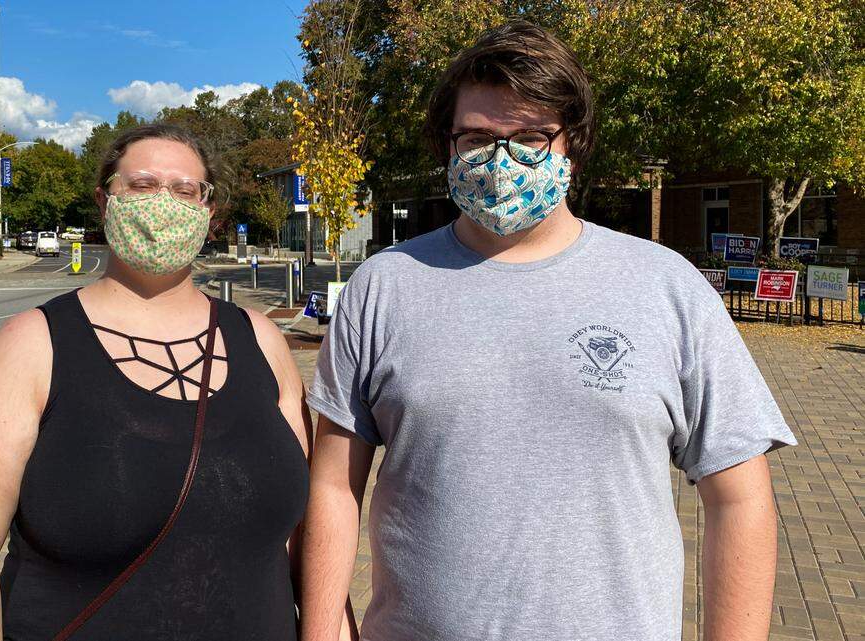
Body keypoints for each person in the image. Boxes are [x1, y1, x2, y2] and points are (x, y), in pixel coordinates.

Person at [300, 20, 796, 641]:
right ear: (447, 147)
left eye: (532, 136)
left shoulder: (666, 287)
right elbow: (332, 489)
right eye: (477, 137)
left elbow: (739, 498)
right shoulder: (383, 288)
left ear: (573, 145)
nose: (502, 159)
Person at [0, 124, 311, 640]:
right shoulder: (32, 346)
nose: (163, 203)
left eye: (185, 189)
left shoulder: (262, 342)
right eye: (143, 185)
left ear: (209, 212)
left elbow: (300, 539)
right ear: (105, 201)